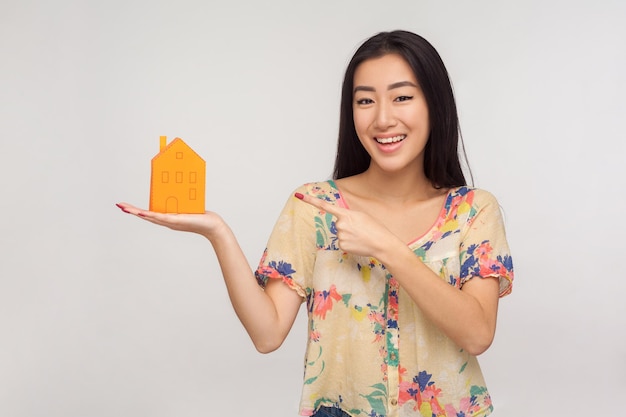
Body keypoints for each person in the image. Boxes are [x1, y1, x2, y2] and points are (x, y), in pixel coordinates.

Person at [117, 30, 514, 417]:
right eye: (365, 101)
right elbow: (267, 333)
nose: (382, 118)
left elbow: (477, 333)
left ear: (435, 105)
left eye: (403, 97)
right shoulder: (315, 207)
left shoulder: (473, 210)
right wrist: (217, 231)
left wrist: (385, 246)